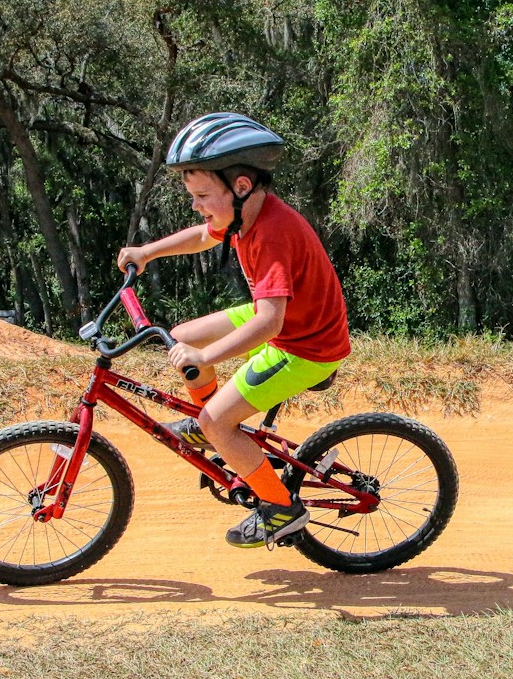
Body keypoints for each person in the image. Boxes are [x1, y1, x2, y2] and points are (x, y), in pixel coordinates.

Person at [115, 113, 351, 548]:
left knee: (217, 420)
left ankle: (280, 508)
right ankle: (214, 427)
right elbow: (205, 235)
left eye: (202, 194)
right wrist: (147, 252)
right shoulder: (245, 215)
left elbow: (269, 322)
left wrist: (206, 359)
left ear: (241, 186)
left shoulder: (272, 233)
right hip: (293, 321)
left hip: (306, 345)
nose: (196, 204)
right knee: (183, 336)